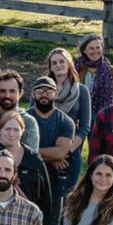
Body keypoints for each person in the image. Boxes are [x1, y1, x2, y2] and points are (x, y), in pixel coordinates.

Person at [0, 108, 61, 225]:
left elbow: (45, 199)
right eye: (7, 129)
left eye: (16, 129)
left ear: (22, 132)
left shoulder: (34, 160)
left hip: (28, 221)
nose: (11, 133)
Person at [42, 48, 94, 199]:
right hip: (45, 149)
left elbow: (85, 127)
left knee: (68, 198)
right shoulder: (41, 90)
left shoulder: (82, 91)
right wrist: (53, 155)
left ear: (69, 64)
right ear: (50, 67)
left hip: (71, 151)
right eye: (54, 63)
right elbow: (33, 120)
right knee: (45, 196)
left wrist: (65, 152)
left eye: (62, 61)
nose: (58, 65)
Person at [30, 76, 80, 216]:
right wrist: (51, 158)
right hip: (30, 177)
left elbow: (61, 153)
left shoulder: (65, 121)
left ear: (56, 94)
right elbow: (19, 151)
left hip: (56, 179)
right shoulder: (24, 119)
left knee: (52, 223)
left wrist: (32, 152)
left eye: (49, 91)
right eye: (40, 91)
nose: (44, 95)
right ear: (33, 94)